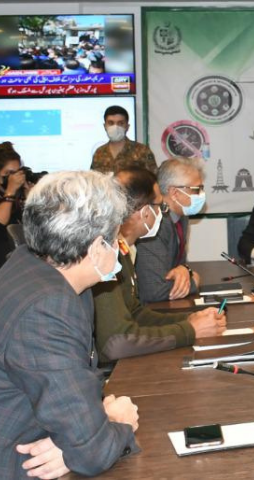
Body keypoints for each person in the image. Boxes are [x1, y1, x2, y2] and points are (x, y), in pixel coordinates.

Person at [0, 171, 139, 478]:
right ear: (95, 247)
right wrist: (117, 421)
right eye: (115, 239)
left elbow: (75, 394)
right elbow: (93, 452)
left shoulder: (32, 266)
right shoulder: (47, 306)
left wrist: (76, 443)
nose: (119, 248)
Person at [93, 167, 226, 364]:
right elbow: (114, 343)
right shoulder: (105, 256)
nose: (163, 214)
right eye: (160, 207)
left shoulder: (122, 249)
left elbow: (136, 313)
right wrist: (189, 331)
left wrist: (190, 320)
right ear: (145, 212)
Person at [136, 157, 204, 303]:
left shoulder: (181, 215)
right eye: (196, 190)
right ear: (174, 193)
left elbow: (179, 267)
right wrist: (195, 281)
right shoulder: (154, 224)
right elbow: (154, 291)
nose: (201, 195)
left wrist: (186, 270)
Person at [90, 105, 157, 174]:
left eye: (120, 123)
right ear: (105, 126)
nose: (115, 127)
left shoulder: (142, 151)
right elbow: (93, 180)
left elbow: (153, 180)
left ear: (127, 127)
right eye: (111, 123)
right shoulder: (99, 153)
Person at [0, 142, 32, 267]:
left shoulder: (6, 190)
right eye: (9, 173)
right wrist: (11, 191)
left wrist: (29, 197)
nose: (13, 177)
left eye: (17, 172)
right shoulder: (8, 190)